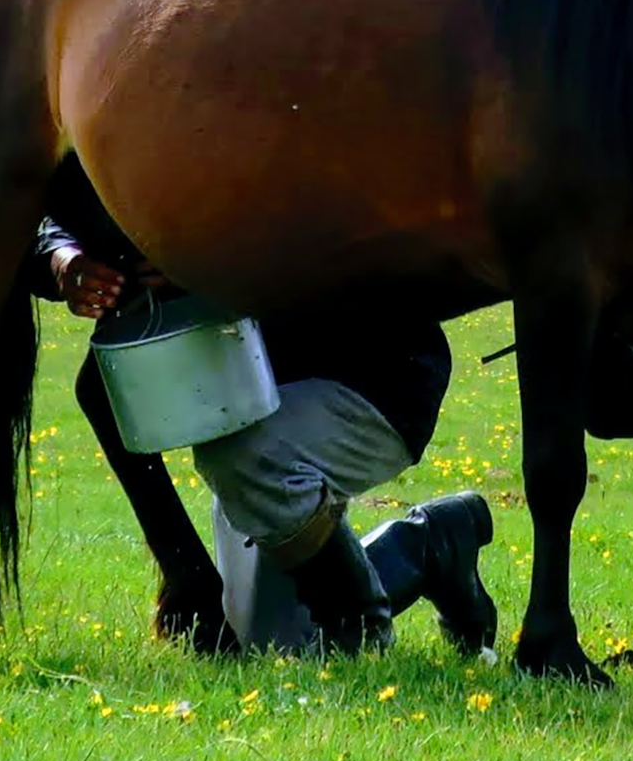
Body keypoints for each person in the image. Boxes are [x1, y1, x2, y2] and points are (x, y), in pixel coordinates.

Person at [36, 206, 499, 657]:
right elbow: (49, 192)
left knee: (242, 457)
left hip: (378, 376)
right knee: (271, 643)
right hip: (263, 410)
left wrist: (214, 262)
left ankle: (359, 621)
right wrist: (62, 256)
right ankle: (431, 545)